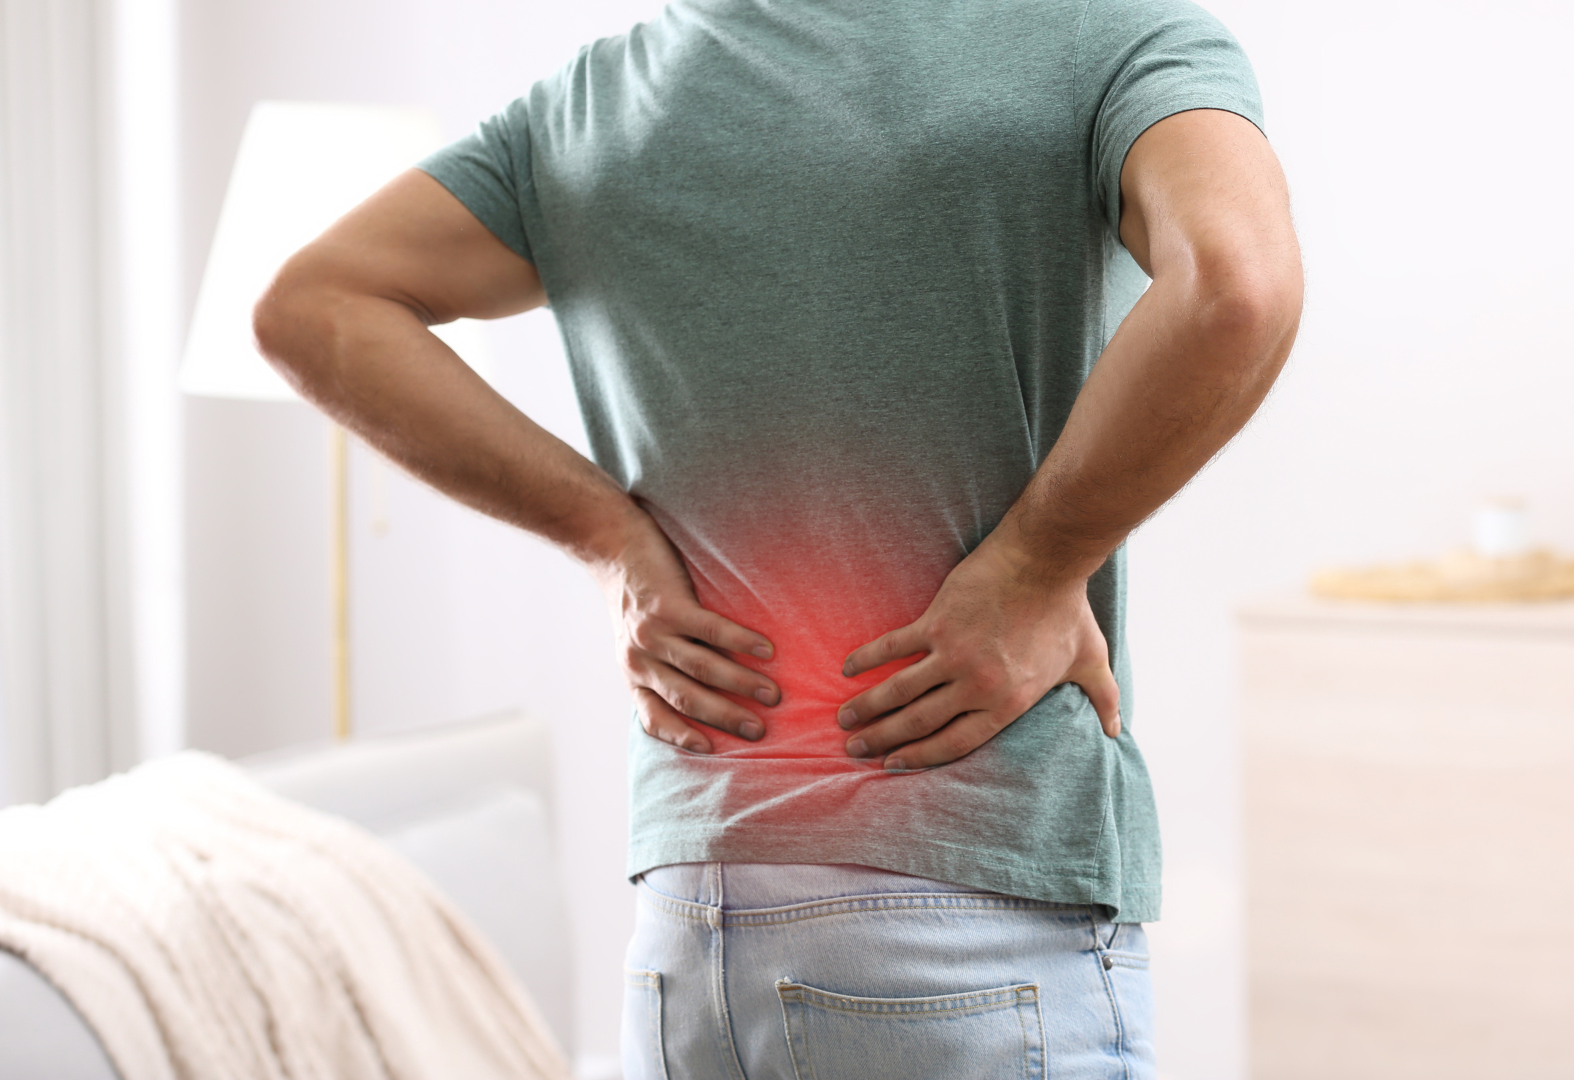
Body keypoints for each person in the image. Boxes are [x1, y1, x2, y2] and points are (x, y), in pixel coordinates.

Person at [254, 0, 1301, 1075]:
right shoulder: (1106, 37)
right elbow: (1239, 283)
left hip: (688, 937)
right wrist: (1039, 564)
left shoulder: (604, 95)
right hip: (968, 912)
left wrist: (610, 537)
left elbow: (313, 306)